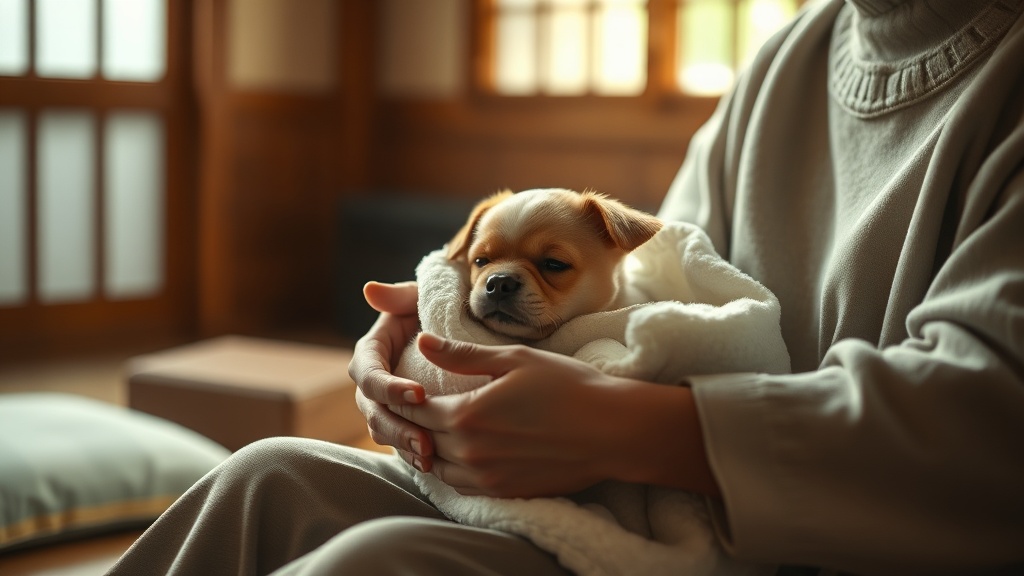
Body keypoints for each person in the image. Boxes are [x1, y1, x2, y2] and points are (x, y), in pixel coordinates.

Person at [105, 0, 1024, 574]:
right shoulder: (789, 59)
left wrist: (626, 428)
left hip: (747, 537)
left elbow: (989, 423)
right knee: (267, 475)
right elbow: (652, 286)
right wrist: (422, 353)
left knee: (377, 563)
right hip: (610, 491)